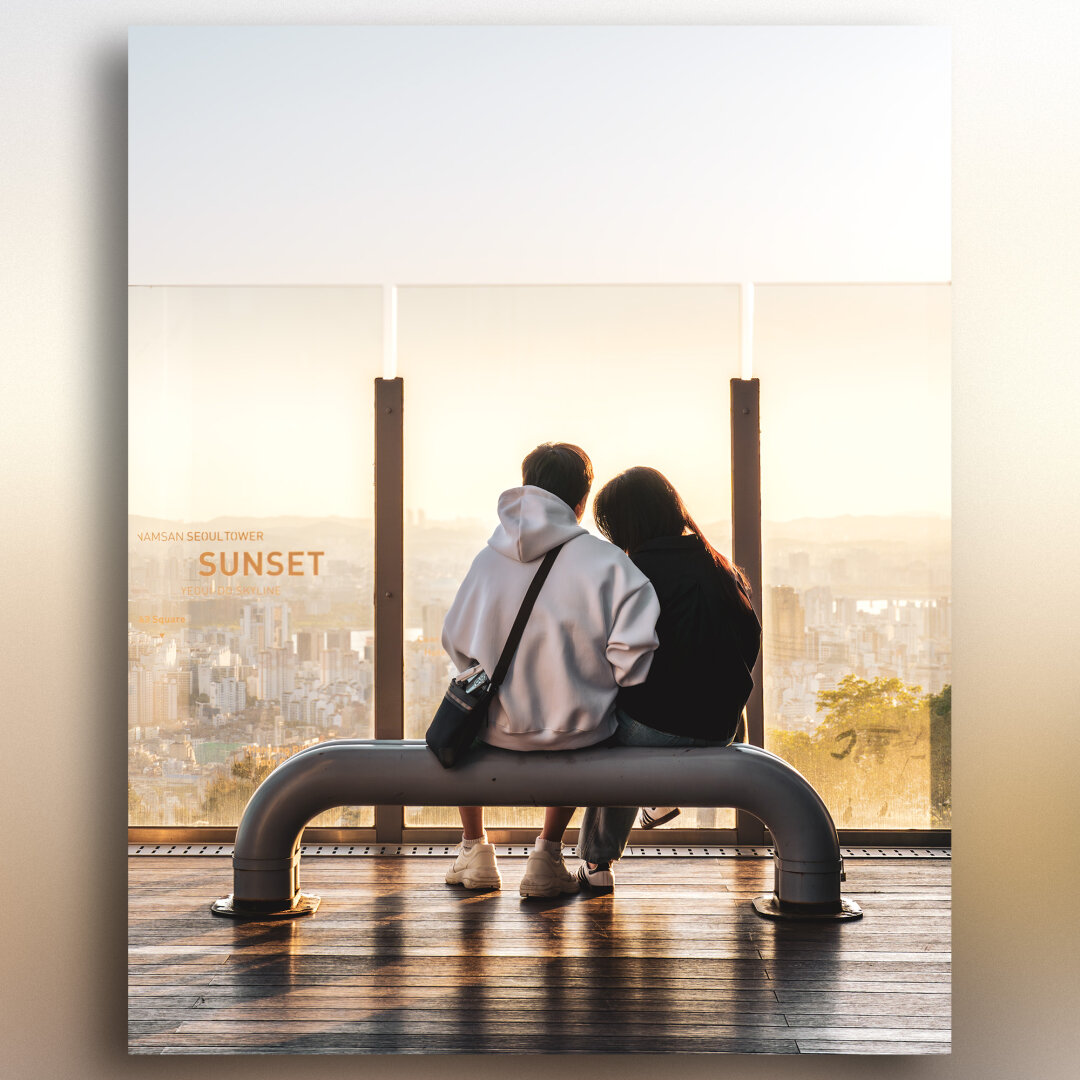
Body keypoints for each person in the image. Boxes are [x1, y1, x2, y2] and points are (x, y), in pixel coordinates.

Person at [440, 443, 661, 897]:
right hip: (581, 732)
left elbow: (457, 646)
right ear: (581, 501)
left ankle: (475, 848)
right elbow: (633, 664)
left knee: (461, 709)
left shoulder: (487, 560)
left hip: (495, 729)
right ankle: (547, 854)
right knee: (572, 707)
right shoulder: (611, 564)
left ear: (525, 486)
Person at [574, 466, 762, 892]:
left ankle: (598, 862)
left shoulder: (632, 574)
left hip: (654, 728)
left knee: (607, 726)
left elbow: (607, 655)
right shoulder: (720, 567)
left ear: (625, 524)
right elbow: (745, 648)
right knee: (709, 691)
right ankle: (658, 800)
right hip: (723, 729)